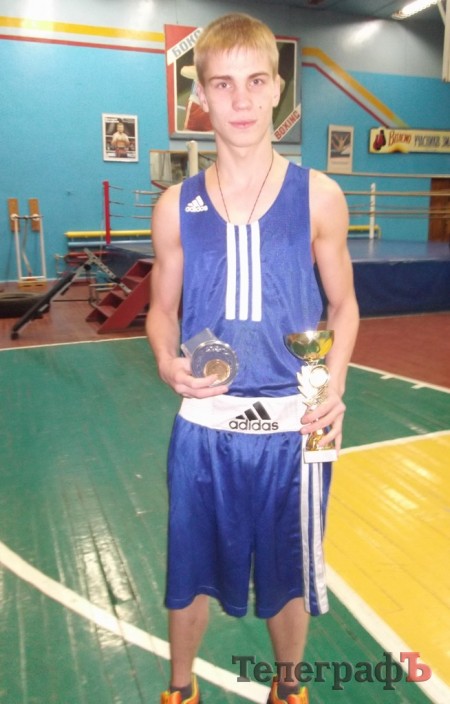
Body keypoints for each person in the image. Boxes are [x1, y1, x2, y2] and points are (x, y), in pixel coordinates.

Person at [146, 12, 359, 704]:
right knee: (188, 572)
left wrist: (333, 386)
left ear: (278, 92)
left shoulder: (320, 196)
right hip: (205, 425)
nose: (240, 99)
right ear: (201, 97)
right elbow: (161, 310)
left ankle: (288, 688)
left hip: (298, 427)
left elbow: (344, 307)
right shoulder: (175, 206)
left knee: (289, 574)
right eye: (223, 84)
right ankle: (180, 689)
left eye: (256, 81)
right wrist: (164, 358)